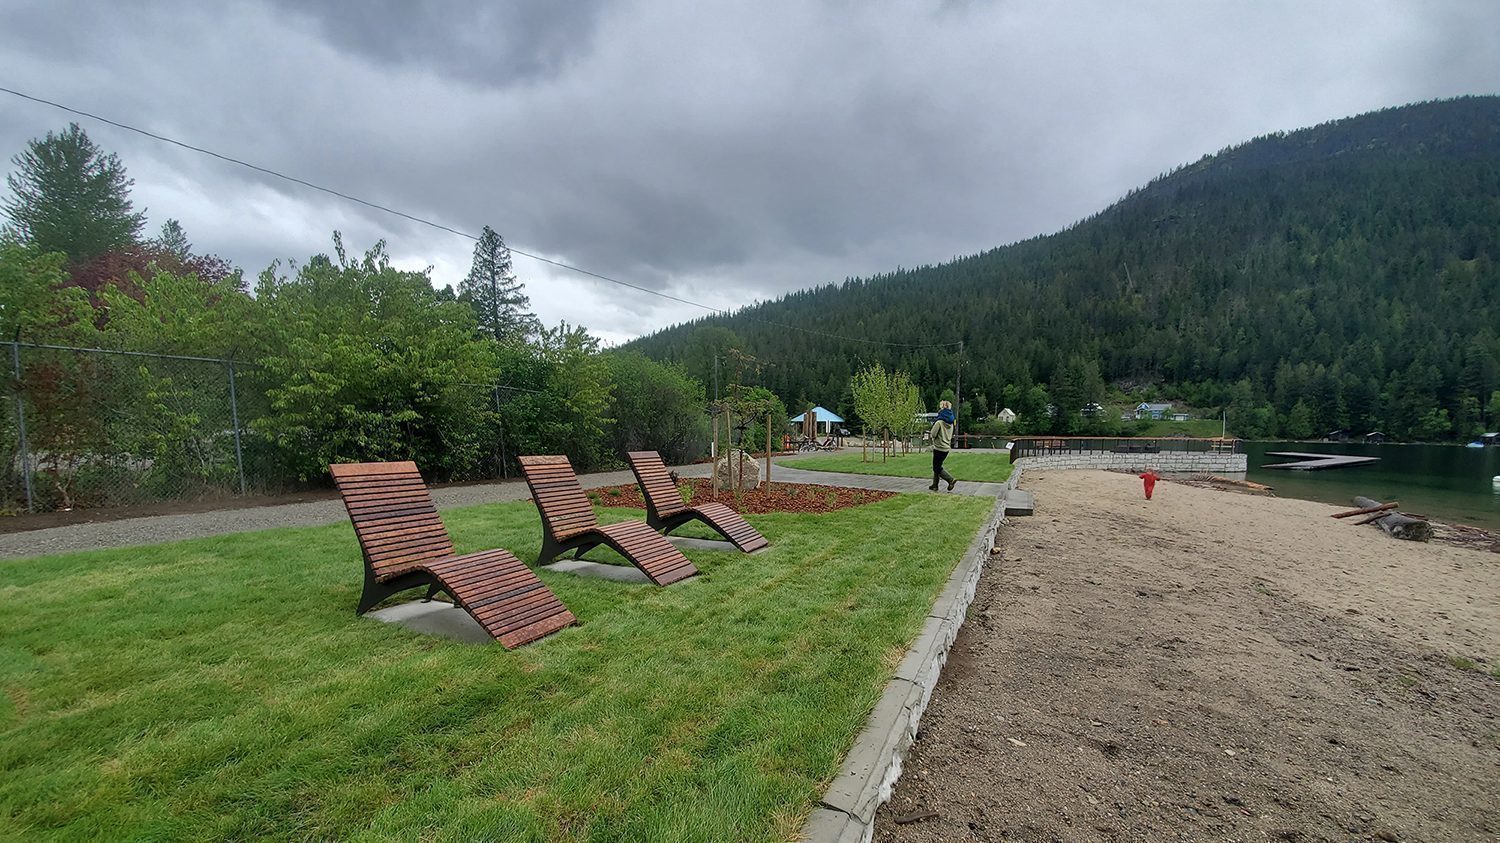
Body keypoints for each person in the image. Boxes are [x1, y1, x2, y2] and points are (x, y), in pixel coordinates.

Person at [929, 401, 957, 491]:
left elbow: (933, 434)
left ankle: (950, 479)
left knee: (936, 467)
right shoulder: (951, 422)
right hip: (946, 448)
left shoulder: (939, 422)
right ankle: (935, 485)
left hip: (938, 448)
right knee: (938, 466)